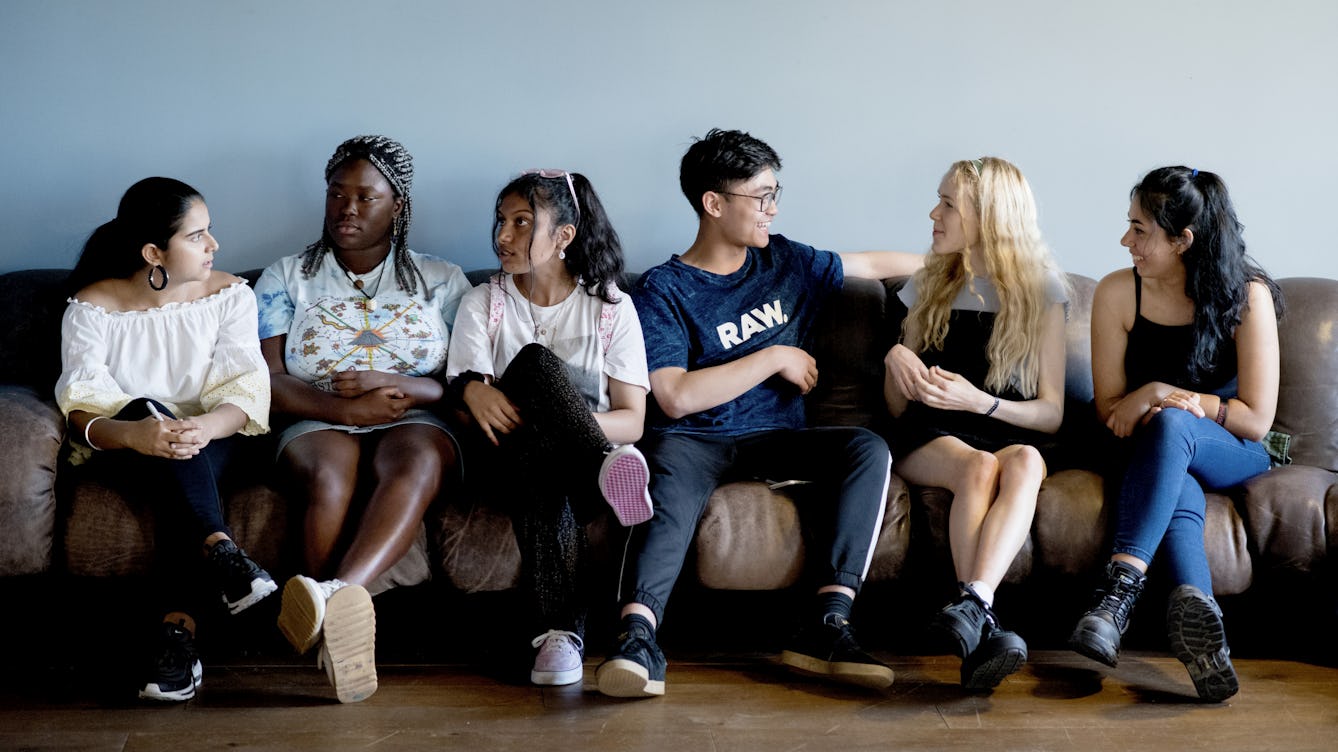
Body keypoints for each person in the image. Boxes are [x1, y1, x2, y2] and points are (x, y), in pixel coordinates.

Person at [595, 128, 922, 699]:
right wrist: (774, 356)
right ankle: (637, 638)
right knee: (662, 483)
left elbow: (870, 262)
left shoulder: (786, 262)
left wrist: (966, 260)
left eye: (775, 195)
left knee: (866, 448)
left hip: (775, 438)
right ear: (714, 204)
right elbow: (673, 396)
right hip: (692, 438)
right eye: (760, 197)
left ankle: (827, 623)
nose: (772, 209)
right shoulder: (663, 290)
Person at [255, 135, 471, 703]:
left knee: (417, 462)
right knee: (332, 474)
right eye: (336, 193)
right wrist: (346, 409)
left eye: (366, 197)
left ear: (397, 205)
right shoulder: (285, 277)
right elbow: (271, 383)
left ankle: (333, 597)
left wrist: (401, 386)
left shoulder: (442, 281)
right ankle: (342, 636)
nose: (347, 209)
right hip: (315, 416)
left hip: (418, 418)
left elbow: (468, 383)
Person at [1068, 166, 1282, 702]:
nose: (1126, 241)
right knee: (1176, 484)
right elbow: (1112, 415)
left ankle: (1120, 590)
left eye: (1140, 230)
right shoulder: (1120, 293)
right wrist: (1159, 398)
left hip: (1231, 448)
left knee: (1173, 425)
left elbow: (1256, 419)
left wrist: (1163, 395)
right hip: (1149, 447)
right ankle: (1209, 650)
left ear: (1182, 241)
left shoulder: (1248, 297)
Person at [56, 177, 274, 701]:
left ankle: (177, 639)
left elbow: (244, 391)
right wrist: (137, 432)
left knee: (179, 460)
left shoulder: (230, 296)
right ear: (154, 252)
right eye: (197, 235)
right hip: (124, 444)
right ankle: (223, 559)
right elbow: (82, 407)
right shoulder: (92, 307)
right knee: (143, 409)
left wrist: (200, 427)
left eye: (210, 231)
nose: (213, 246)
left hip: (216, 438)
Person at [445, 169, 651, 687]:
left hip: (576, 472)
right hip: (507, 460)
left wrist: (562, 428)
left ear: (563, 236)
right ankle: (603, 465)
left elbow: (634, 418)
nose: (502, 237)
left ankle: (558, 637)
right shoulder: (484, 303)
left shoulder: (610, 307)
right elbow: (472, 406)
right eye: (500, 222)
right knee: (536, 366)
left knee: (548, 449)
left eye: (520, 223)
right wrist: (471, 389)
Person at [883, 157, 1068, 690]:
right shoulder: (929, 283)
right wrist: (896, 362)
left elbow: (1051, 413)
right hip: (930, 435)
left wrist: (980, 403)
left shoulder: (1043, 293)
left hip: (1004, 429)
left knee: (1028, 460)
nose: (933, 213)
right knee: (979, 467)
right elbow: (898, 411)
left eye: (947, 204)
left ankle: (974, 609)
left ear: (987, 217)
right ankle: (981, 612)